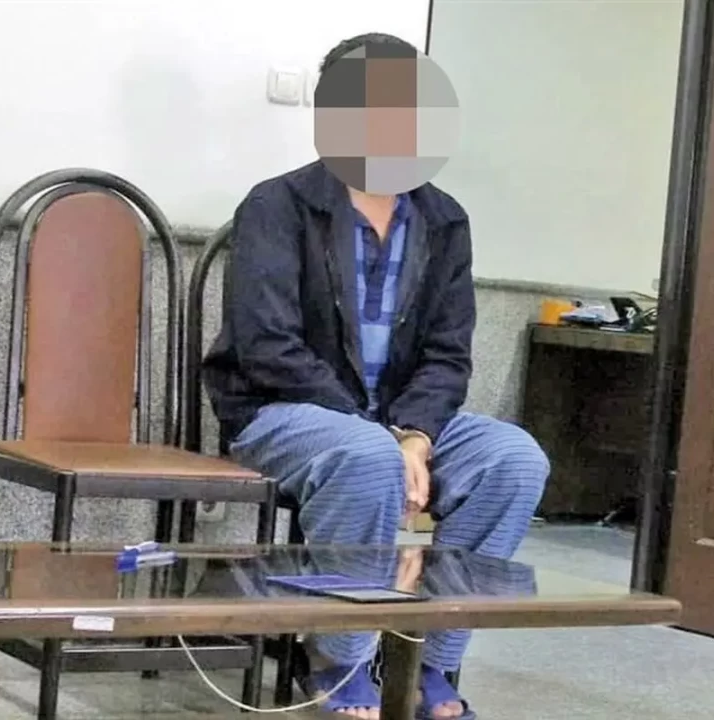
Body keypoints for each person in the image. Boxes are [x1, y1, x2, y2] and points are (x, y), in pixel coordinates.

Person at [203, 31, 549, 720]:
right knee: (366, 457)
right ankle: (340, 655)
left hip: (399, 419)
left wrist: (416, 433)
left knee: (514, 459)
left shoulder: (445, 220)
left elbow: (449, 354)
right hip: (284, 409)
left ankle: (427, 660)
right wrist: (386, 438)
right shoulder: (276, 205)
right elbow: (267, 345)